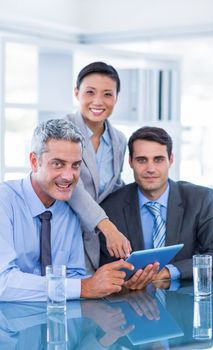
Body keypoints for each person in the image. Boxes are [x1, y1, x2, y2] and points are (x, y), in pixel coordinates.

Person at [0, 119, 159, 302]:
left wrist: (113, 283)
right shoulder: (4, 202)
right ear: (34, 162)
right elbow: (3, 283)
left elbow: (75, 276)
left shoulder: (69, 209)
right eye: (58, 164)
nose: (69, 176)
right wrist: (86, 287)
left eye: (75, 165)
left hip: (57, 322)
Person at [99, 126, 213, 280]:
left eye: (158, 159)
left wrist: (169, 272)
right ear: (130, 162)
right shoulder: (111, 207)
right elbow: (107, 269)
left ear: (171, 160)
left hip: (185, 298)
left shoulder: (200, 199)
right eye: (142, 160)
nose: (150, 169)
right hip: (134, 299)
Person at [67, 61, 131, 273]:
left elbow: (114, 187)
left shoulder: (119, 141)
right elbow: (70, 186)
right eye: (90, 92)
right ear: (77, 93)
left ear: (116, 98)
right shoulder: (61, 130)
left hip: (97, 240)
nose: (98, 101)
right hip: (64, 230)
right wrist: (107, 226)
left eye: (107, 94)